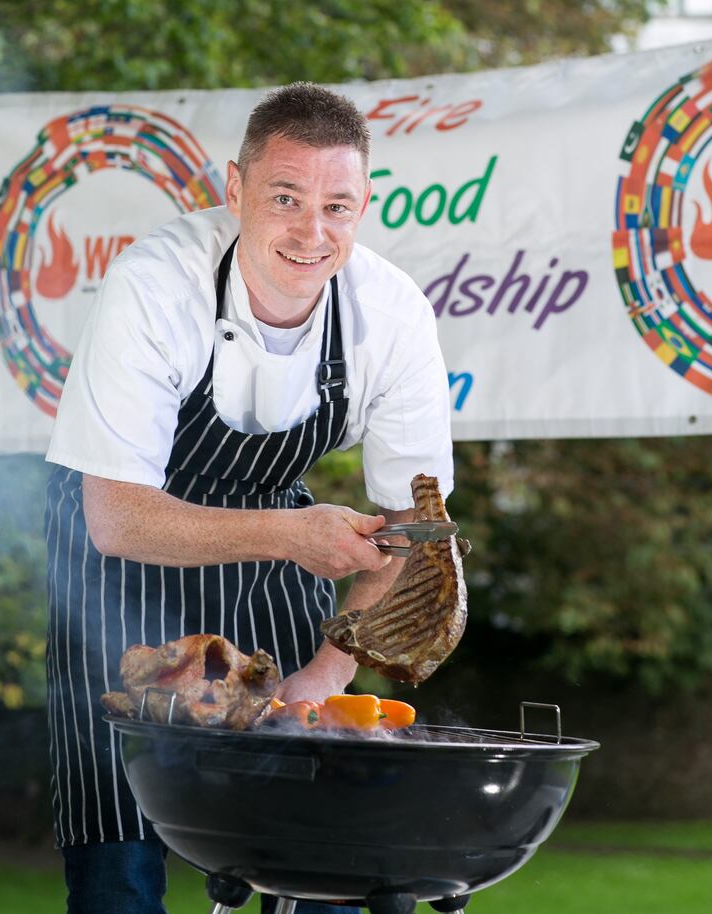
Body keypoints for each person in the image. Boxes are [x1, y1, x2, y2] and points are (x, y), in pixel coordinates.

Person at [45, 81, 453, 914]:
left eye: (339, 205)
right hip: (119, 556)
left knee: (314, 826)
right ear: (234, 191)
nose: (313, 232)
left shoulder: (393, 316)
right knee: (120, 833)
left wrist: (325, 672)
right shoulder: (156, 284)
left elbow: (418, 534)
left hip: (277, 537)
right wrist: (292, 536)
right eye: (286, 198)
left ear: (364, 204)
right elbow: (114, 516)